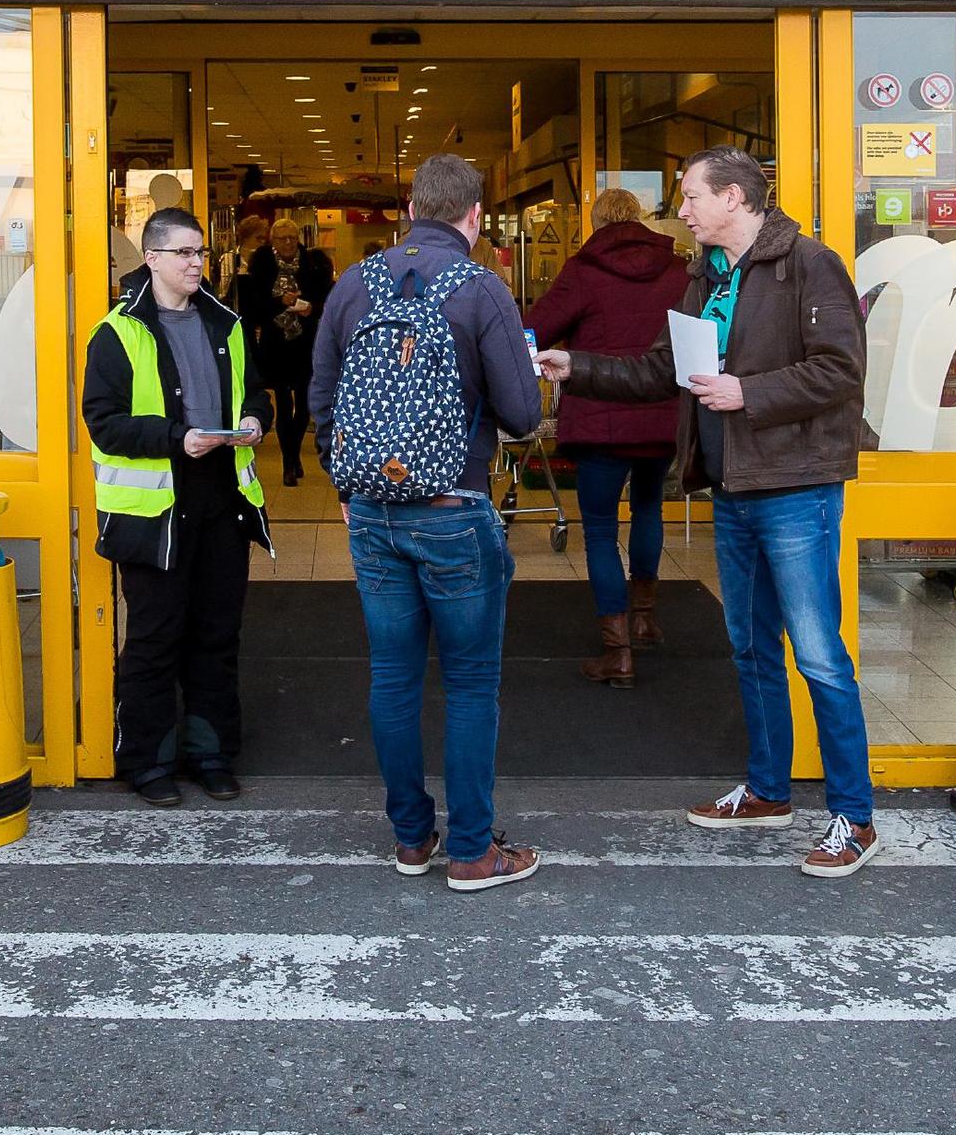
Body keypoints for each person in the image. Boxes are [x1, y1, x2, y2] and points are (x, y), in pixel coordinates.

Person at [537, 146, 877, 878]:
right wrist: (578, 367)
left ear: (734, 198)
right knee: (751, 649)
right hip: (732, 488)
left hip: (794, 489)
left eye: (691, 198)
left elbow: (841, 369)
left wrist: (745, 392)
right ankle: (767, 788)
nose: (682, 212)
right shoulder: (706, 275)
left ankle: (854, 816)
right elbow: (663, 370)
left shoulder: (807, 264)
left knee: (817, 654)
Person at [310, 153, 542, 892]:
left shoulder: (355, 284)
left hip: (373, 515)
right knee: (471, 683)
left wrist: (347, 481)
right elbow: (523, 414)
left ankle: (412, 836)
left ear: (410, 207)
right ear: (475, 216)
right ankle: (473, 849)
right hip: (453, 511)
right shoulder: (481, 290)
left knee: (393, 676)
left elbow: (321, 395)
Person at [82, 207, 273, 808]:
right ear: (154, 258)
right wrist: (175, 439)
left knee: (216, 634)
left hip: (221, 500)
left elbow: (259, 393)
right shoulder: (117, 332)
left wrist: (254, 421)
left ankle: (210, 755)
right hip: (153, 514)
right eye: (185, 253)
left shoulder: (227, 325)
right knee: (155, 638)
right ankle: (148, 763)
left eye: (200, 253)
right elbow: (104, 422)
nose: (197, 263)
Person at [525, 188, 689, 687]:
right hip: (660, 414)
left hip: (600, 419)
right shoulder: (679, 271)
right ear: (638, 218)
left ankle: (617, 653)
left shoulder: (583, 270)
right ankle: (644, 616)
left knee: (599, 530)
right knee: (648, 510)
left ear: (595, 223)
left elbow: (535, 327)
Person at [249, 218, 334, 486]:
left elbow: (326, 300)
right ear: (272, 241)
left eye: (291, 238)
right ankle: (289, 460)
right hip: (276, 345)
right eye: (282, 238)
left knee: (305, 405)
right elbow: (254, 307)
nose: (287, 243)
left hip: (305, 343)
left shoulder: (314, 263)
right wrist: (279, 302)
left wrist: (311, 308)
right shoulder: (261, 264)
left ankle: (296, 451)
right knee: (283, 404)